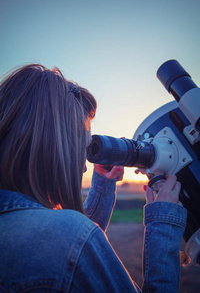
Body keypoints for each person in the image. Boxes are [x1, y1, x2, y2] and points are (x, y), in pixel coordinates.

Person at [0, 64, 187, 292]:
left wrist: (103, 185)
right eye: (81, 148)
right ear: (57, 149)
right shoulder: (69, 234)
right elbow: (73, 243)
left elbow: (72, 258)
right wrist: (164, 222)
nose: (83, 169)